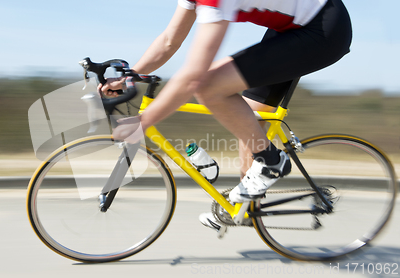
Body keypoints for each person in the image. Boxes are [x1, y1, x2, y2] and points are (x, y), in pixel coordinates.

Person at [99, 0, 352, 235]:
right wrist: (129, 76)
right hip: (294, 28)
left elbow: (193, 76)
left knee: (208, 86)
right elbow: (168, 41)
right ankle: (246, 209)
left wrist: (143, 122)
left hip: (323, 30)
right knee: (250, 118)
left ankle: (272, 162)